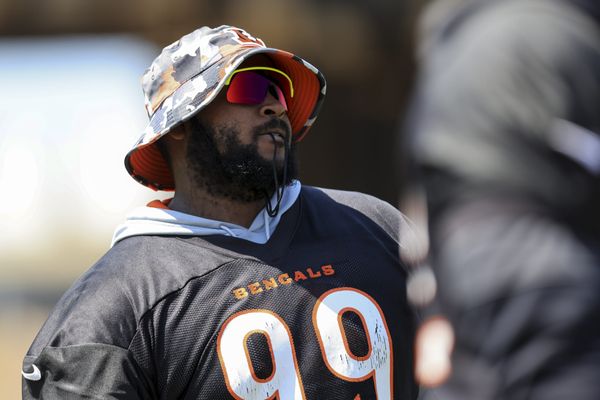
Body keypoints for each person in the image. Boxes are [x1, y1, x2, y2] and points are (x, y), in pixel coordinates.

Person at [22, 25, 419, 399]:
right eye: (249, 87)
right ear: (180, 122)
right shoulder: (113, 307)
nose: (273, 107)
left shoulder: (378, 227)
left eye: (279, 93)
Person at [404, 0, 600, 398]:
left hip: (462, 270)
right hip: (546, 264)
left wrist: (435, 308)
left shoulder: (448, 55)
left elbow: (423, 190)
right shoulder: (564, 31)